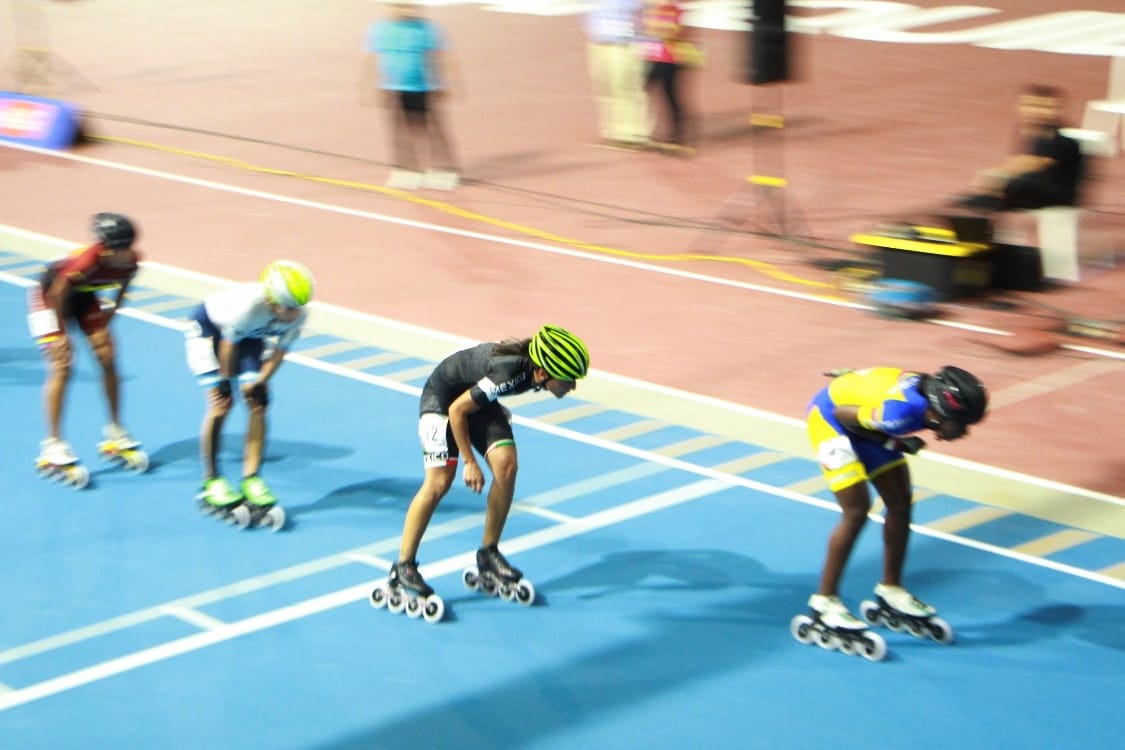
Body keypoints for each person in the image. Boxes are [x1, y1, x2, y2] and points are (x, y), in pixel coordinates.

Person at [390, 325, 591, 598]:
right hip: (443, 399)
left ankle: (488, 554)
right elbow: (457, 410)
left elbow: (482, 388)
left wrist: (494, 407)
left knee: (507, 466)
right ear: (543, 373)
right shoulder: (510, 373)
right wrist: (469, 461)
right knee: (439, 482)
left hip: (473, 399)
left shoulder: (524, 372)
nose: (573, 386)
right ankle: (403, 566)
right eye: (568, 379)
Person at [804, 365, 988, 631]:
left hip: (865, 418)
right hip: (832, 419)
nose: (963, 432)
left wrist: (854, 382)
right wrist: (896, 444)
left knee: (900, 504)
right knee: (856, 511)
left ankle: (891, 590)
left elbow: (883, 383)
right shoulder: (898, 415)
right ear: (938, 413)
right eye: (960, 425)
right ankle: (824, 602)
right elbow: (842, 415)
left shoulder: (921, 403)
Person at [183, 260, 314, 513]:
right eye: (289, 308)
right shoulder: (248, 308)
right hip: (209, 332)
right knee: (221, 405)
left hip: (249, 337)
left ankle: (251, 477)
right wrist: (223, 381)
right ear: (271, 301)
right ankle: (211, 479)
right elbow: (227, 346)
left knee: (259, 404)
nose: (295, 314)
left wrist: (262, 382)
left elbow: (280, 352)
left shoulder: (298, 313)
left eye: (298, 308)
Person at [27, 212, 143, 472]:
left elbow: (124, 287)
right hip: (49, 299)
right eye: (117, 249)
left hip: (84, 300)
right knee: (62, 366)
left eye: (126, 247)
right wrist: (59, 335)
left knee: (108, 358)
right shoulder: (89, 259)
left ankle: (115, 430)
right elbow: (57, 293)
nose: (122, 253)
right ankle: (53, 443)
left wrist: (109, 318)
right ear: (104, 247)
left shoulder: (132, 262)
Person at [361, 1, 460, 191]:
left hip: (423, 87)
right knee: (399, 131)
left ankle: (444, 168)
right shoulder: (379, 30)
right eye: (398, 6)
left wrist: (443, 84)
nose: (403, 11)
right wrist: (370, 86)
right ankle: (406, 168)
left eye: (407, 6)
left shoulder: (427, 29)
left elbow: (440, 57)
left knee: (432, 130)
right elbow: (371, 58)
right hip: (394, 87)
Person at [958, 84, 1083, 211]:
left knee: (1005, 188)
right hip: (1033, 187)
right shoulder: (1025, 129)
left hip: (1057, 196)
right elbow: (1018, 160)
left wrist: (993, 177)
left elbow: (1036, 163)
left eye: (1045, 107)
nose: (1037, 112)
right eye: (1031, 106)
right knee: (972, 200)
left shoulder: (1060, 135)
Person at [586, 0, 651, 150]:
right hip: (599, 41)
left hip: (624, 44)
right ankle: (612, 131)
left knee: (626, 88)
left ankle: (634, 134)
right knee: (604, 87)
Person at [641, 0, 696, 155]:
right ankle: (660, 130)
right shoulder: (655, 9)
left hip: (672, 58)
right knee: (649, 87)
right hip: (657, 57)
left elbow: (676, 32)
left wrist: (657, 30)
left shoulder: (675, 9)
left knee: (670, 95)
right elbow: (648, 30)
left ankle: (678, 134)